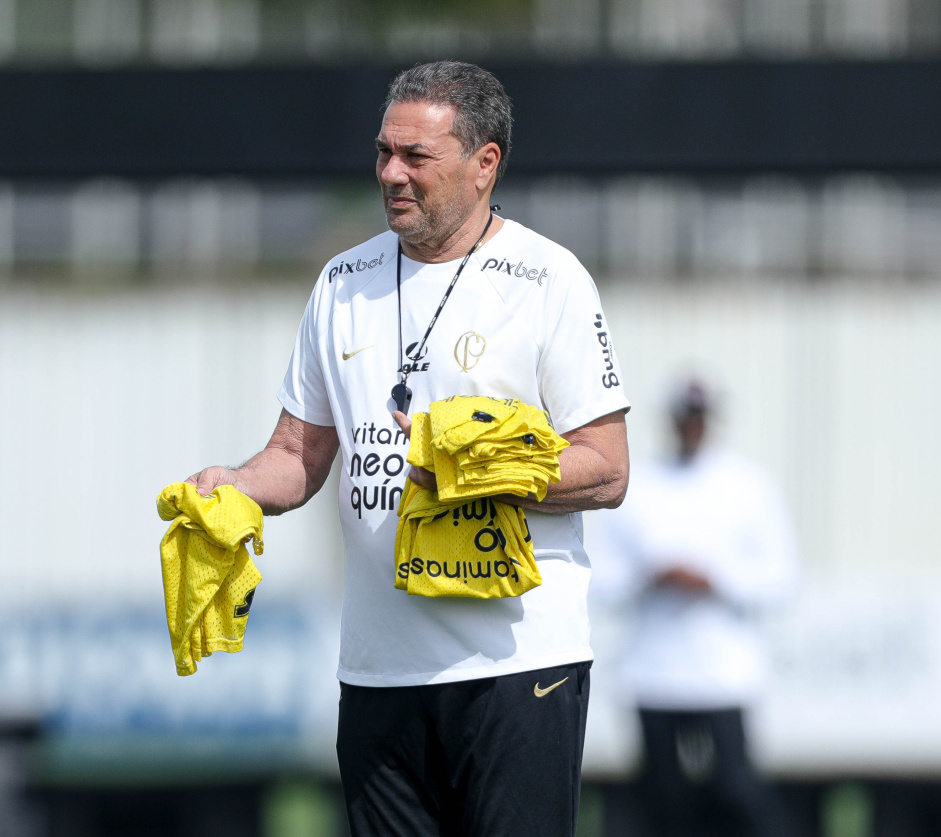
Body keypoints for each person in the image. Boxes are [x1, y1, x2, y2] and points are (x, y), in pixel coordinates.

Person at [186, 61, 630, 837]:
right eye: (384, 152)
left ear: (483, 163)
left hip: (516, 665)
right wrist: (234, 484)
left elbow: (606, 466)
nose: (391, 173)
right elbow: (298, 454)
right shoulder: (340, 281)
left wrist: (481, 470)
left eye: (415, 157)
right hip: (378, 669)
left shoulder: (548, 279)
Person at [591, 378, 798, 837]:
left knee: (736, 790)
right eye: (685, 418)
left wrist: (714, 580)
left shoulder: (747, 485)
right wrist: (649, 576)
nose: (692, 428)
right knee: (663, 800)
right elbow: (602, 579)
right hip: (655, 672)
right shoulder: (639, 484)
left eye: (699, 418)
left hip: (722, 672)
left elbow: (781, 578)